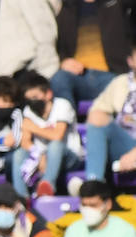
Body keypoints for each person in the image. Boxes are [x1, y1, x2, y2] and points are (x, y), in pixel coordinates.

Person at [49, 0, 131, 108]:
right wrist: (62, 61)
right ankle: (64, 123)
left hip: (113, 75)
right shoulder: (65, 7)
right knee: (58, 79)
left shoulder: (118, 4)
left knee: (124, 87)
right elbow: (51, 44)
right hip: (77, 77)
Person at [14, 70, 82, 197]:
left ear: (48, 94)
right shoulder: (29, 110)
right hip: (41, 157)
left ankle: (46, 187)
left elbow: (57, 136)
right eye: (28, 99)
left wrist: (33, 127)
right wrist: (39, 155)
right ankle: (21, 198)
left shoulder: (62, 105)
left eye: (35, 97)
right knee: (19, 154)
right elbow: (25, 142)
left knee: (55, 145)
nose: (31, 102)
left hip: (69, 157)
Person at [82, 46, 136, 181]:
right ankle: (93, 184)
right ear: (130, 61)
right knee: (96, 117)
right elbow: (97, 111)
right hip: (124, 142)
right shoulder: (120, 83)